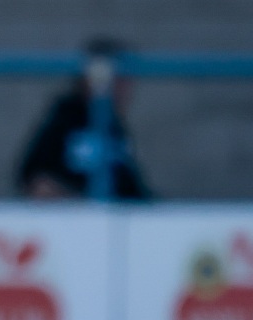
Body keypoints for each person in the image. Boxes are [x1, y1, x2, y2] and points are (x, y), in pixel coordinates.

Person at [15, 37, 151, 200]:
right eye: (117, 81)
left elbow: (132, 189)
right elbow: (36, 179)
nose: (124, 89)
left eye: (126, 82)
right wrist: (80, 204)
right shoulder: (65, 120)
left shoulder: (114, 128)